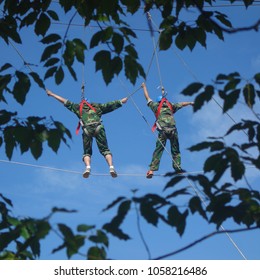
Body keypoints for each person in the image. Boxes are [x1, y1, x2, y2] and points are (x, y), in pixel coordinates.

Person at [46, 89, 128, 178]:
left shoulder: (78, 108)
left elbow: (65, 102)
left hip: (86, 130)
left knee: (87, 152)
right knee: (105, 150)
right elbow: (110, 105)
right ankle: (111, 167)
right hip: (98, 127)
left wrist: (52, 94)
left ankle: (88, 167)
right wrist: (121, 102)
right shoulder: (97, 106)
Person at [141, 82, 194, 179]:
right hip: (173, 130)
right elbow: (182, 104)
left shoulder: (156, 106)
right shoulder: (171, 105)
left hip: (163, 131)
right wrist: (190, 103)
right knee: (175, 150)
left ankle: (151, 170)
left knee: (158, 150)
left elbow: (147, 98)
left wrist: (144, 87)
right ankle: (178, 168)